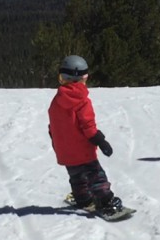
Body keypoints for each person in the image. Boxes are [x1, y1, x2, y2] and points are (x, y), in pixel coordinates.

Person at [47, 55, 123, 217]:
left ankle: (82, 198)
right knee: (96, 176)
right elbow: (88, 126)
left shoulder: (56, 100)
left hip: (65, 151)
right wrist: (101, 141)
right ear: (83, 78)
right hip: (82, 150)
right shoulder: (82, 101)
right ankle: (106, 201)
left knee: (77, 177)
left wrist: (57, 143)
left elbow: (53, 126)